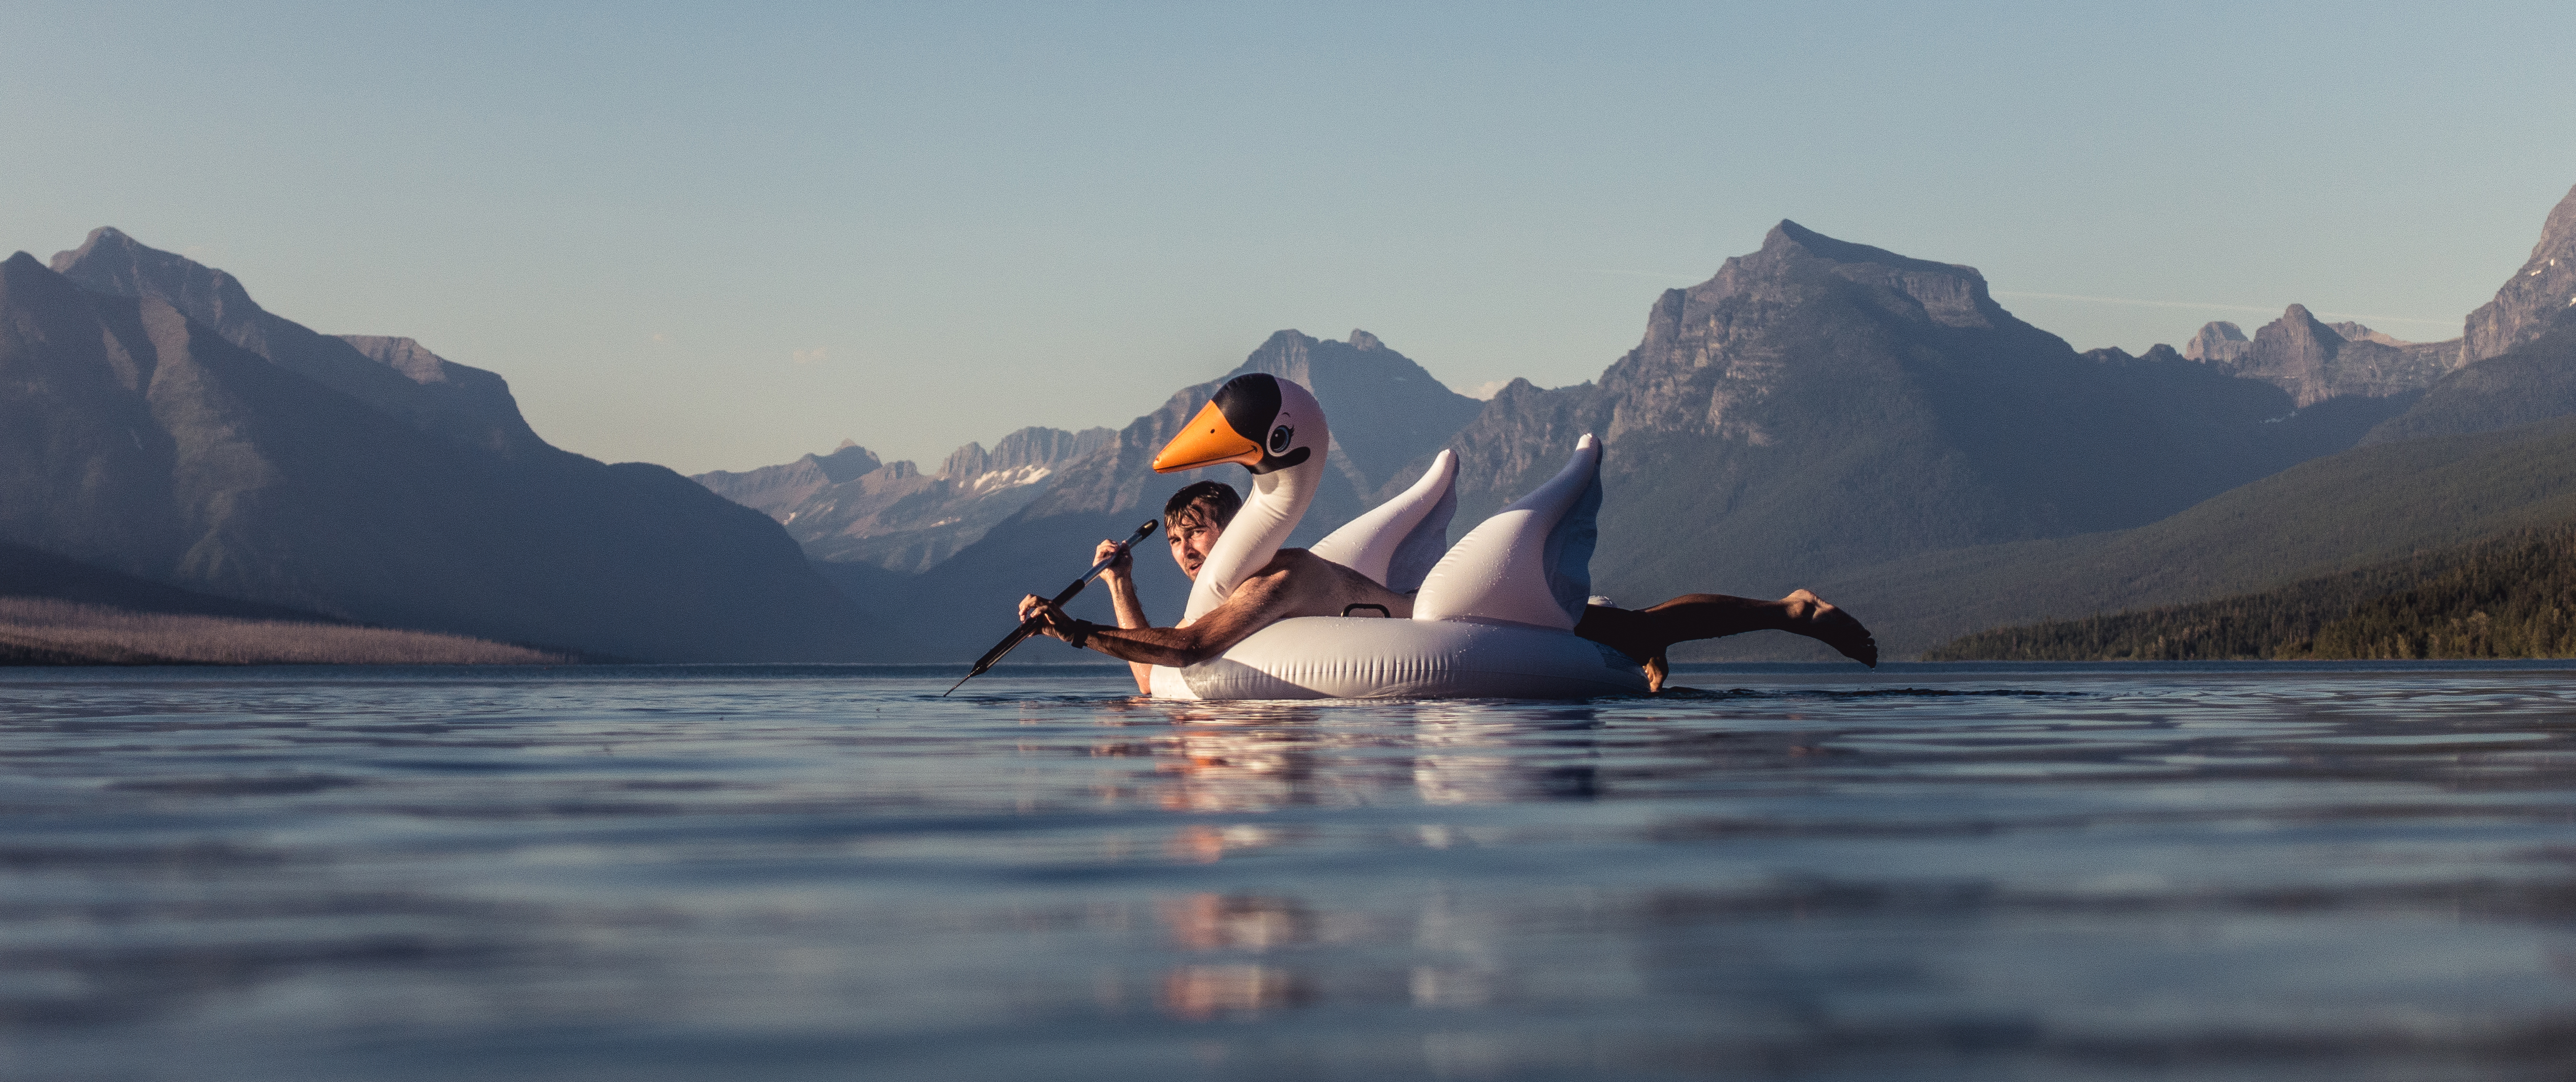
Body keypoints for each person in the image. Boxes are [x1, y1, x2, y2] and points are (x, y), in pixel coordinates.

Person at [1029, 480, 1878, 694]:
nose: (1188, 550)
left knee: (1644, 628)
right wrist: (1118, 588)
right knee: (1638, 634)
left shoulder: (1277, 575)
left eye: (1199, 532)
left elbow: (1193, 650)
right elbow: (1157, 678)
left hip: (1481, 625)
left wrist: (1070, 633)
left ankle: (1789, 611)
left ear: (1241, 524)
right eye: (1174, 540)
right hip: (1450, 641)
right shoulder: (1217, 592)